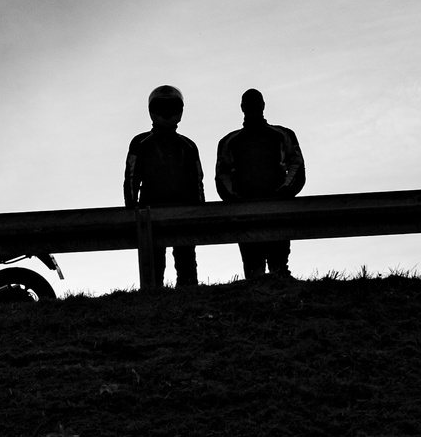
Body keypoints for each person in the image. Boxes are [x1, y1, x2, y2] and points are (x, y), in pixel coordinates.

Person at [215, 88, 306, 278]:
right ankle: (263, 294)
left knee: (278, 265)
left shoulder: (282, 134)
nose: (252, 107)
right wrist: (235, 200)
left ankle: (277, 292)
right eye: (249, 103)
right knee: (254, 267)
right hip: (248, 211)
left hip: (275, 210)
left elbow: (297, 166)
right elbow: (222, 175)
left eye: (255, 103)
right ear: (242, 107)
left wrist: (284, 193)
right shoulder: (229, 141)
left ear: (263, 105)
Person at [123, 85, 204, 289]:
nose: (167, 111)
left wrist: (200, 212)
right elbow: (131, 178)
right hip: (150, 213)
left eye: (171, 106)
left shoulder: (188, 145)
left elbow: (197, 181)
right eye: (162, 106)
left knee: (186, 264)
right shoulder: (140, 143)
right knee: (154, 264)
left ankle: (187, 295)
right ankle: (154, 295)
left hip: (182, 212)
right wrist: (132, 210)